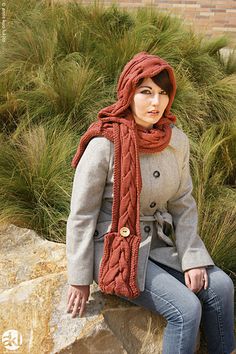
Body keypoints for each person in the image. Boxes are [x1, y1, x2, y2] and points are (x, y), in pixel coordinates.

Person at [66, 52, 235, 354]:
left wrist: (193, 257)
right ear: (128, 92)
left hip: (157, 242)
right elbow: (81, 216)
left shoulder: (176, 141)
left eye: (162, 93)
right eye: (145, 92)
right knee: (185, 309)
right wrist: (78, 278)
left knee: (221, 287)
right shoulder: (104, 144)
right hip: (114, 247)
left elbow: (183, 203)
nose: (156, 103)